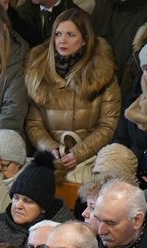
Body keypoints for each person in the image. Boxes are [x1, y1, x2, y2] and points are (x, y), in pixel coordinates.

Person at [23, 10, 121, 182]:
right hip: (51, 160)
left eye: (70, 35)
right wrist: (51, 149)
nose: (62, 40)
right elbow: (34, 124)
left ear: (84, 40)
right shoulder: (38, 72)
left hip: (91, 159)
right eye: (58, 34)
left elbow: (108, 125)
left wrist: (79, 153)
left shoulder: (103, 73)